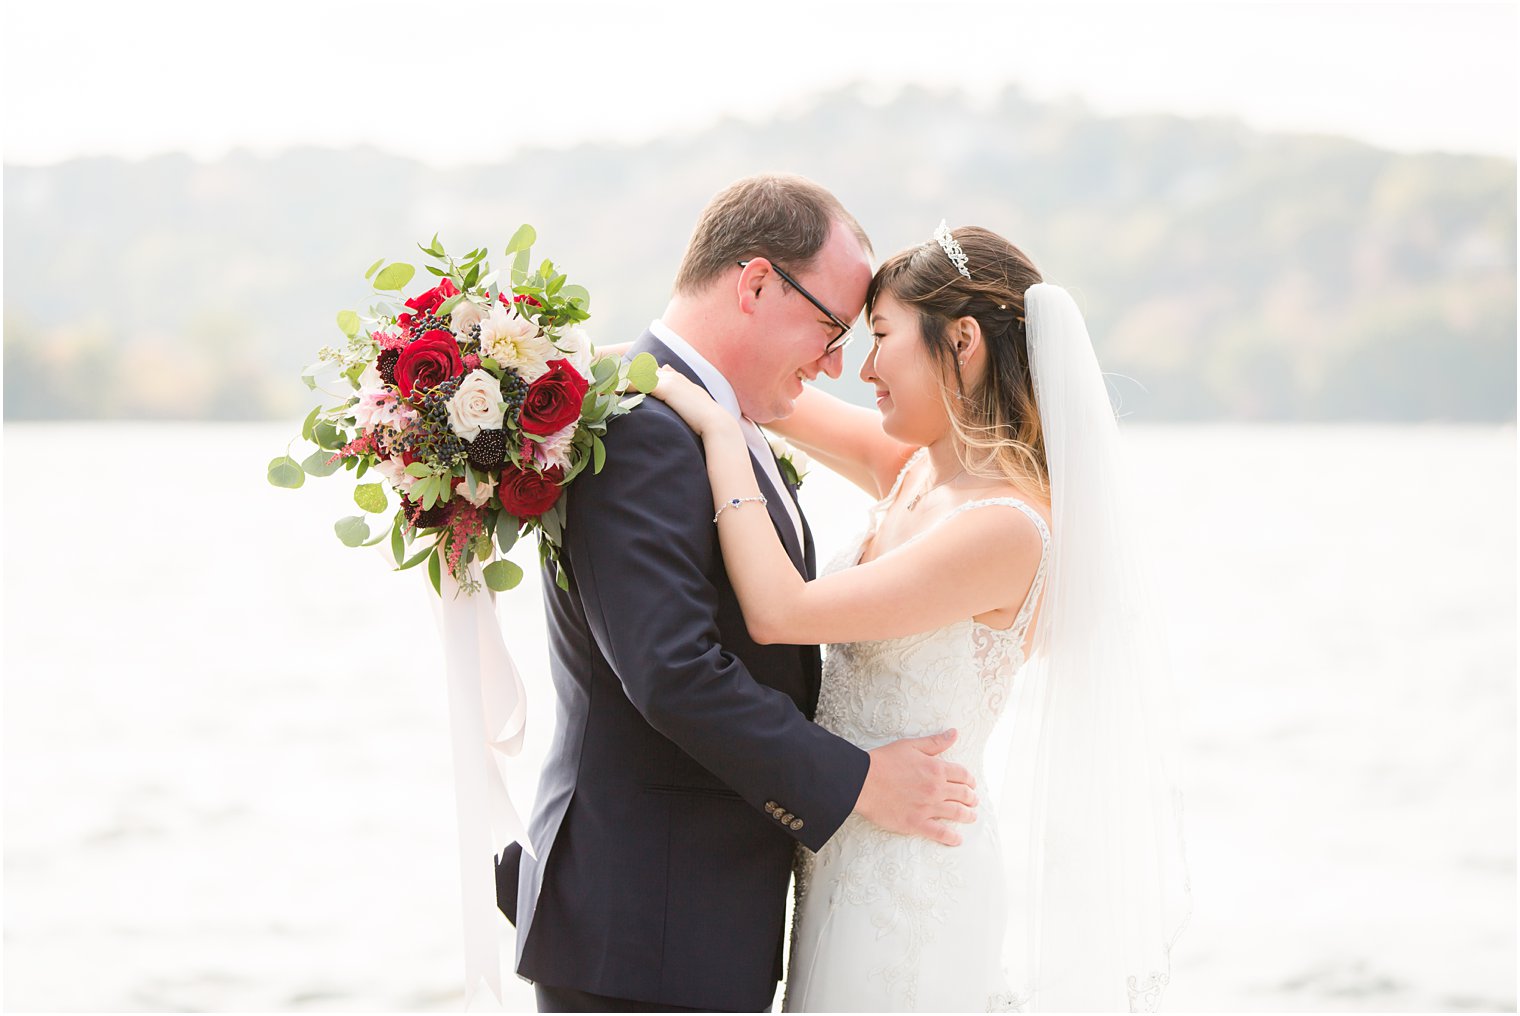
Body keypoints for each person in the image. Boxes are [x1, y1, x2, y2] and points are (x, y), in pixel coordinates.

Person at [650, 224, 1193, 1011]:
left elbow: (780, 611)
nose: (862, 368)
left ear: (962, 340)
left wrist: (714, 434)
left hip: (913, 884)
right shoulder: (908, 467)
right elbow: (761, 388)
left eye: (877, 336)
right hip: (843, 857)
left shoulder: (1005, 528)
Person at [495, 176, 981, 1013]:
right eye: (832, 327)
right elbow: (673, 670)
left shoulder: (709, 414)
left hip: (686, 921)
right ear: (755, 284)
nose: (836, 364)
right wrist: (859, 782)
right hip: (647, 924)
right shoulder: (645, 429)